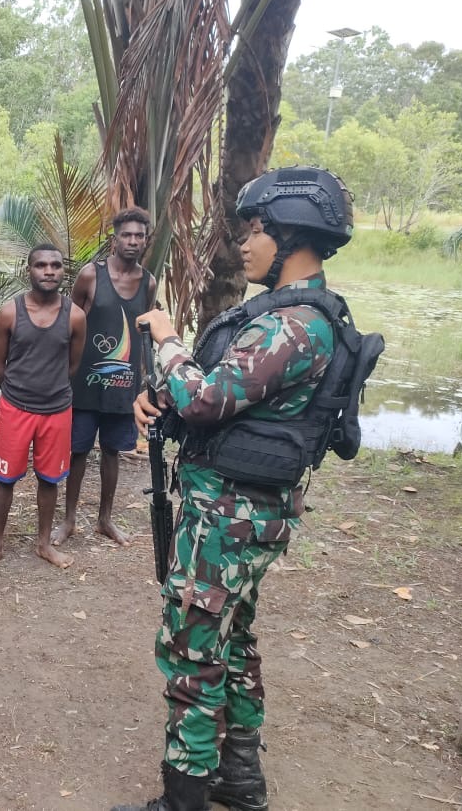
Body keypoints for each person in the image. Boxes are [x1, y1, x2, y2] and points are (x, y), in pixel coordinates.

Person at [116, 167, 356, 811]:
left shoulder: (293, 325)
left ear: (291, 235)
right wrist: (156, 396)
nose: (244, 244)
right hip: (244, 513)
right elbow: (223, 395)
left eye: (254, 231)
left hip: (228, 516)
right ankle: (239, 778)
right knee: (234, 638)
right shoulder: (293, 316)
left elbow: (206, 399)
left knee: (192, 648)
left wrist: (167, 342)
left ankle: (184, 796)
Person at [0, 244, 86, 571]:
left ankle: (43, 544)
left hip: (57, 410)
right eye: (41, 265)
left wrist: (50, 391)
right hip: (16, 409)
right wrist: (18, 393)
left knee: (49, 479)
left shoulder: (75, 316)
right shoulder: (10, 313)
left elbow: (73, 365)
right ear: (29, 271)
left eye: (55, 265)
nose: (49, 271)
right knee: (5, 479)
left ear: (63, 270)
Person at [52, 207, 157, 549]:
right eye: (127, 235)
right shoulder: (90, 275)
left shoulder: (148, 282)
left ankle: (105, 519)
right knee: (78, 450)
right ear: (115, 239)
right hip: (84, 382)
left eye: (139, 236)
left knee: (112, 451)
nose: (133, 241)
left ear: (146, 240)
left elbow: (144, 331)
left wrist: (147, 381)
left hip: (123, 386)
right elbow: (70, 320)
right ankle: (68, 520)